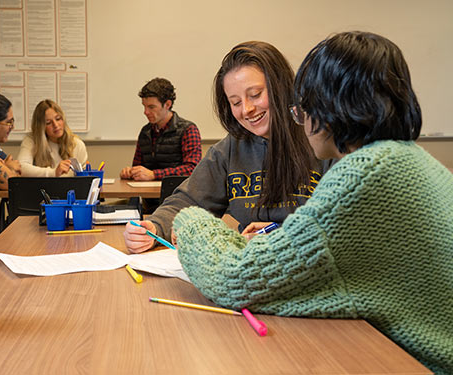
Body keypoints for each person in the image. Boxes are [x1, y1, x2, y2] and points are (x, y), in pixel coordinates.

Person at [172, 32, 452, 375]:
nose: (300, 117)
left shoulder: (362, 175)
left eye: (304, 104)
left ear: (335, 105)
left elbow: (234, 281)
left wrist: (191, 222)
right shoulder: (413, 161)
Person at [124, 42, 333, 253]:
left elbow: (349, 223)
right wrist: (155, 227)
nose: (247, 109)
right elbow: (189, 200)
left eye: (255, 94)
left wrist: (284, 232)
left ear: (280, 87)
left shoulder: (323, 141)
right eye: (235, 102)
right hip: (251, 267)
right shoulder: (229, 149)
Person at [120, 77, 202, 181]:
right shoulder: (145, 132)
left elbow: (192, 169)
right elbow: (138, 167)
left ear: (167, 104)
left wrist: (154, 175)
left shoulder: (188, 130)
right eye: (144, 106)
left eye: (151, 107)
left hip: (177, 194)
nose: (145, 112)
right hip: (148, 195)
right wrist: (131, 172)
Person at [18, 99, 88, 177]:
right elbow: (22, 168)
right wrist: (53, 173)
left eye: (58, 119)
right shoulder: (31, 140)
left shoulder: (77, 144)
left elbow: (83, 178)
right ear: (41, 127)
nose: (56, 125)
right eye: (48, 123)